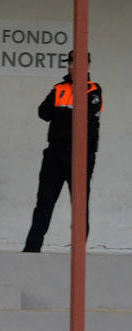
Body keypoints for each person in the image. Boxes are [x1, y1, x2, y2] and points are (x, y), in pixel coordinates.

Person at [23, 50, 103, 253]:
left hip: (80, 155)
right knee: (44, 202)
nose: (73, 67)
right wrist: (67, 113)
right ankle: (32, 248)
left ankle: (79, 253)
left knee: (79, 205)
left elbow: (86, 114)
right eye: (71, 63)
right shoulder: (59, 88)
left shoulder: (94, 90)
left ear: (88, 66)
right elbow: (43, 112)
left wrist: (61, 113)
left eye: (78, 64)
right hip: (55, 153)